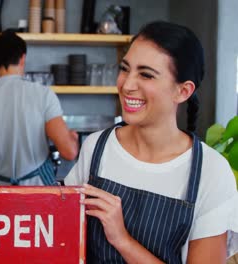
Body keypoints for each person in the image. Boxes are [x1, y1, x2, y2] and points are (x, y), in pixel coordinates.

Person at [65, 21, 238, 263]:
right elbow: (64, 241)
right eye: (125, 69)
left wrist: (122, 240)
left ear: (183, 91)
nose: (127, 85)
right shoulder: (96, 148)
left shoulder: (211, 172)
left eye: (146, 74)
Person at [0, 29, 79, 186]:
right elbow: (69, 152)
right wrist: (73, 138)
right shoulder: (43, 95)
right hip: (38, 193)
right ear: (23, 58)